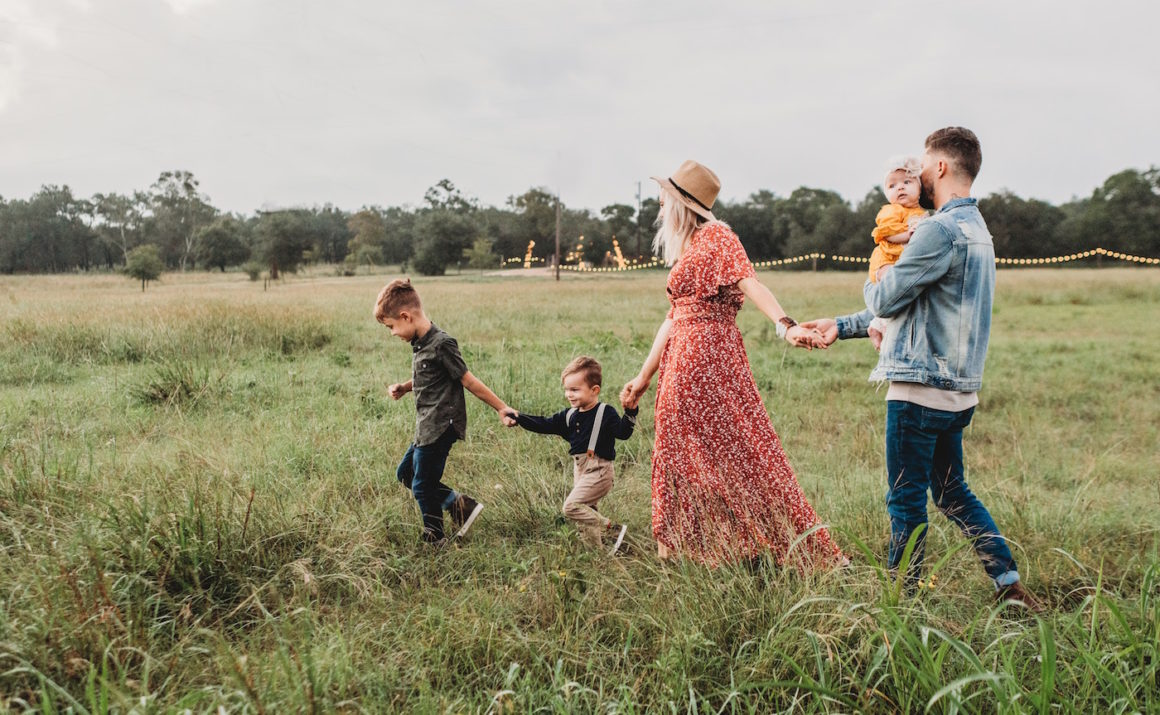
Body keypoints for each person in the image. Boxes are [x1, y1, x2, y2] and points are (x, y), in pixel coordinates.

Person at [802, 127, 1043, 609]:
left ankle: (900, 601)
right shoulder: (978, 230)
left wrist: (877, 279)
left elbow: (889, 296)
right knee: (953, 492)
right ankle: (1008, 585)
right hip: (957, 393)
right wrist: (843, 325)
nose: (916, 174)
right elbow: (917, 305)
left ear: (940, 167)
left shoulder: (937, 229)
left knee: (904, 499)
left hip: (918, 390)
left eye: (923, 165)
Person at [620, 159, 846, 568]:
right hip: (682, 358)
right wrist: (642, 377)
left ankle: (771, 543)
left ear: (682, 203)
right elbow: (672, 318)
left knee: (741, 449)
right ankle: (688, 549)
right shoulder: (689, 246)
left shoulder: (718, 237)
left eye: (664, 197)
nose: (658, 203)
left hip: (708, 358)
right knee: (678, 452)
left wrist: (785, 325)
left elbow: (750, 282)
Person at [374, 278, 517, 545]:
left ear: (405, 316)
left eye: (391, 326)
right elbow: (428, 378)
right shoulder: (420, 344)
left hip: (441, 425)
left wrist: (501, 408)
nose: (392, 333)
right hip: (426, 425)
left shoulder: (442, 343)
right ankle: (460, 506)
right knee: (406, 474)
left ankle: (435, 537)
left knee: (422, 485)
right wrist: (405, 387)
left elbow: (468, 380)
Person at [509, 356, 637, 554]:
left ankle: (611, 529)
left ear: (594, 390)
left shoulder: (605, 412)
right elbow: (544, 424)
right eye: (567, 389)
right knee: (586, 515)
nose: (569, 394)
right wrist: (518, 417)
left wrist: (631, 412)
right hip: (580, 469)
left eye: (575, 390)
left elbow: (623, 433)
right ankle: (597, 555)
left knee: (571, 507)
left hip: (600, 470)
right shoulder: (569, 415)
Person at [867, 156, 928, 350]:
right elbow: (886, 233)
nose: (900, 188)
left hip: (900, 260)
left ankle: (878, 325)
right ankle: (881, 326)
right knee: (893, 287)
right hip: (886, 260)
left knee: (902, 294)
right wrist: (907, 235)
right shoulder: (892, 210)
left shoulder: (921, 213)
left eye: (907, 182)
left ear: (919, 188)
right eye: (892, 186)